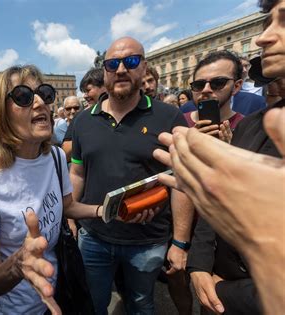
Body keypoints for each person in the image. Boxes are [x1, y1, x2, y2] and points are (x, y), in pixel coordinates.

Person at [152, 1, 285, 313]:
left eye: (284, 22)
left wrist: (228, 291)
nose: (263, 38)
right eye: (266, 24)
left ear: (237, 85)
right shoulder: (256, 124)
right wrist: (198, 263)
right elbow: (214, 202)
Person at [0, 65, 104, 315]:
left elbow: (67, 206)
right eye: (23, 97)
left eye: (44, 93)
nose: (39, 102)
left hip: (57, 293)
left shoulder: (56, 157)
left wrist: (104, 210)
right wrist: (18, 264)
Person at [70, 37, 193, 314]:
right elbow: (77, 172)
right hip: (94, 237)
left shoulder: (169, 116)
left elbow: (183, 184)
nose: (121, 69)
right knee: (93, 304)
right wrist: (70, 215)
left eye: (132, 61)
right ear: (105, 71)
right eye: (113, 64)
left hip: (147, 241)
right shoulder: (82, 121)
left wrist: (180, 243)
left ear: (144, 66)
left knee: (141, 305)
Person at [184, 50, 245, 143]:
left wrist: (232, 151)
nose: (206, 89)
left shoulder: (248, 127)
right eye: (199, 84)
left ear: (236, 86)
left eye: (218, 83)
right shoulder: (178, 121)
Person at [62, 68, 106, 161]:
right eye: (84, 92)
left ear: (104, 86)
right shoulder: (81, 118)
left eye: (88, 90)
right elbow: (65, 153)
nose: (85, 96)